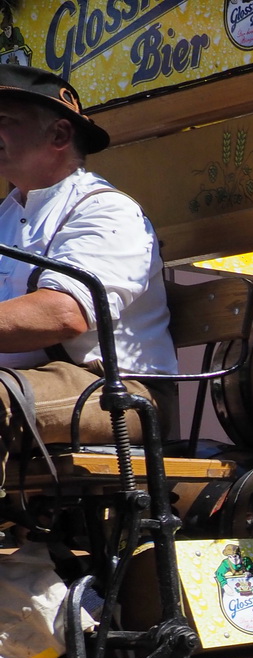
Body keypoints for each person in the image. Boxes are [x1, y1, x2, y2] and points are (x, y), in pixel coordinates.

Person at [0, 65, 175, 491]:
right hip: (32, 382)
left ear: (59, 136)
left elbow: (65, 313)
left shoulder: (105, 210)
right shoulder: (7, 214)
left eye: (3, 122)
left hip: (118, 393)